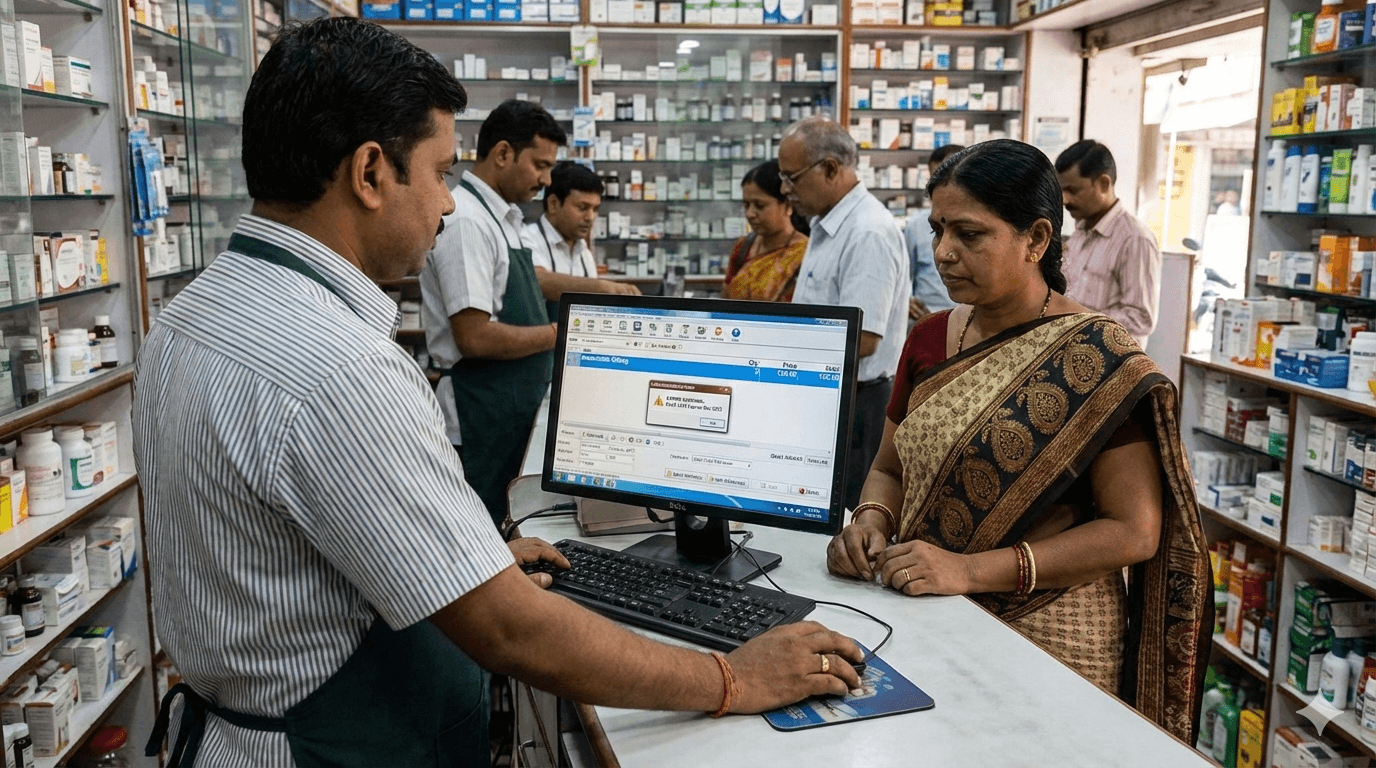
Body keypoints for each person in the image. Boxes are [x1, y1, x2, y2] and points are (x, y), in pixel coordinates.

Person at [134, 18, 863, 768]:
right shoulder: (341, 368)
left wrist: (462, 559)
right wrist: (732, 677)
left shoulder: (192, 313)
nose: (448, 205)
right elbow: (511, 632)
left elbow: (283, 560)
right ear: (371, 172)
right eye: (442, 172)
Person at [825, 139, 1210, 743]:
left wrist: (971, 571)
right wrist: (870, 521)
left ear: (1035, 239)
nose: (943, 253)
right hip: (928, 607)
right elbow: (890, 471)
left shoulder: (1098, 361)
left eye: (970, 235)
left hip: (1053, 634)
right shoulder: (928, 340)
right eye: (938, 230)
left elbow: (1134, 530)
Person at [420, 99, 565, 528]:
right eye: (540, 165)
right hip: (480, 411)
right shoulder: (467, 220)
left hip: (508, 407)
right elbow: (475, 336)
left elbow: (529, 280)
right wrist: (562, 333)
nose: (547, 179)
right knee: (483, 531)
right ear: (503, 153)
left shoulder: (502, 216)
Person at [779, 116, 908, 512]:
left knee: (844, 515)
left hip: (858, 402)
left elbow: (865, 340)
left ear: (831, 169)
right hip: (825, 392)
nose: (785, 190)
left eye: (792, 178)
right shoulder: (827, 226)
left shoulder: (868, 231)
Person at [1055, 139, 1162, 347]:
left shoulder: (1134, 239)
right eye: (1062, 191)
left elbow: (1142, 318)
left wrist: (1078, 317)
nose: (1065, 200)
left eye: (1073, 190)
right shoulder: (1080, 232)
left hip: (1112, 367)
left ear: (1104, 184)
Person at [521, 160, 640, 320]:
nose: (590, 218)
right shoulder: (527, 238)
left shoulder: (583, 251)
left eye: (595, 209)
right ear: (554, 204)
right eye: (582, 208)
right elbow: (537, 280)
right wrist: (601, 287)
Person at [723, 159, 810, 302]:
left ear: (787, 204)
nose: (750, 213)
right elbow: (725, 298)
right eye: (746, 205)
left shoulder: (806, 253)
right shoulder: (743, 247)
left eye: (759, 205)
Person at [905, 143, 964, 321]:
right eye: (934, 180)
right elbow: (903, 278)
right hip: (927, 318)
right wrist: (907, 302)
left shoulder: (986, 223)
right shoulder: (916, 225)